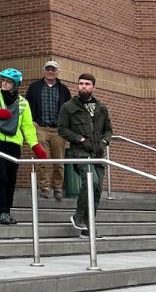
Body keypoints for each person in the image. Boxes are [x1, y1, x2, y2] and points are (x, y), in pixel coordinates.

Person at [0, 68, 48, 225]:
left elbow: (27, 127)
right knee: (1, 176)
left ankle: (8, 210)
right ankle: (2, 211)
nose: (4, 83)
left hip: (14, 143)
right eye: (3, 80)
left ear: (16, 84)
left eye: (8, 81)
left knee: (11, 179)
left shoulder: (23, 103)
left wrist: (35, 145)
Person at [59, 72, 113, 237]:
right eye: (81, 83)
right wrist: (79, 139)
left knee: (96, 191)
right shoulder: (68, 107)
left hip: (98, 153)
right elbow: (61, 129)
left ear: (93, 87)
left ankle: (87, 229)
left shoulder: (101, 108)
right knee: (92, 182)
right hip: (80, 153)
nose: (83, 86)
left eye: (87, 84)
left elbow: (108, 130)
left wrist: (105, 141)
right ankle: (78, 216)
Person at [25, 60, 71, 200]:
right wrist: (31, 121)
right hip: (41, 128)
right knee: (42, 158)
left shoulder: (64, 89)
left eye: (53, 70)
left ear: (57, 72)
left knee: (59, 161)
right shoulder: (34, 87)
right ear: (44, 71)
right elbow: (27, 106)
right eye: (48, 69)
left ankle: (57, 189)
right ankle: (44, 188)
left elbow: (69, 109)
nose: (50, 72)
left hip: (58, 130)